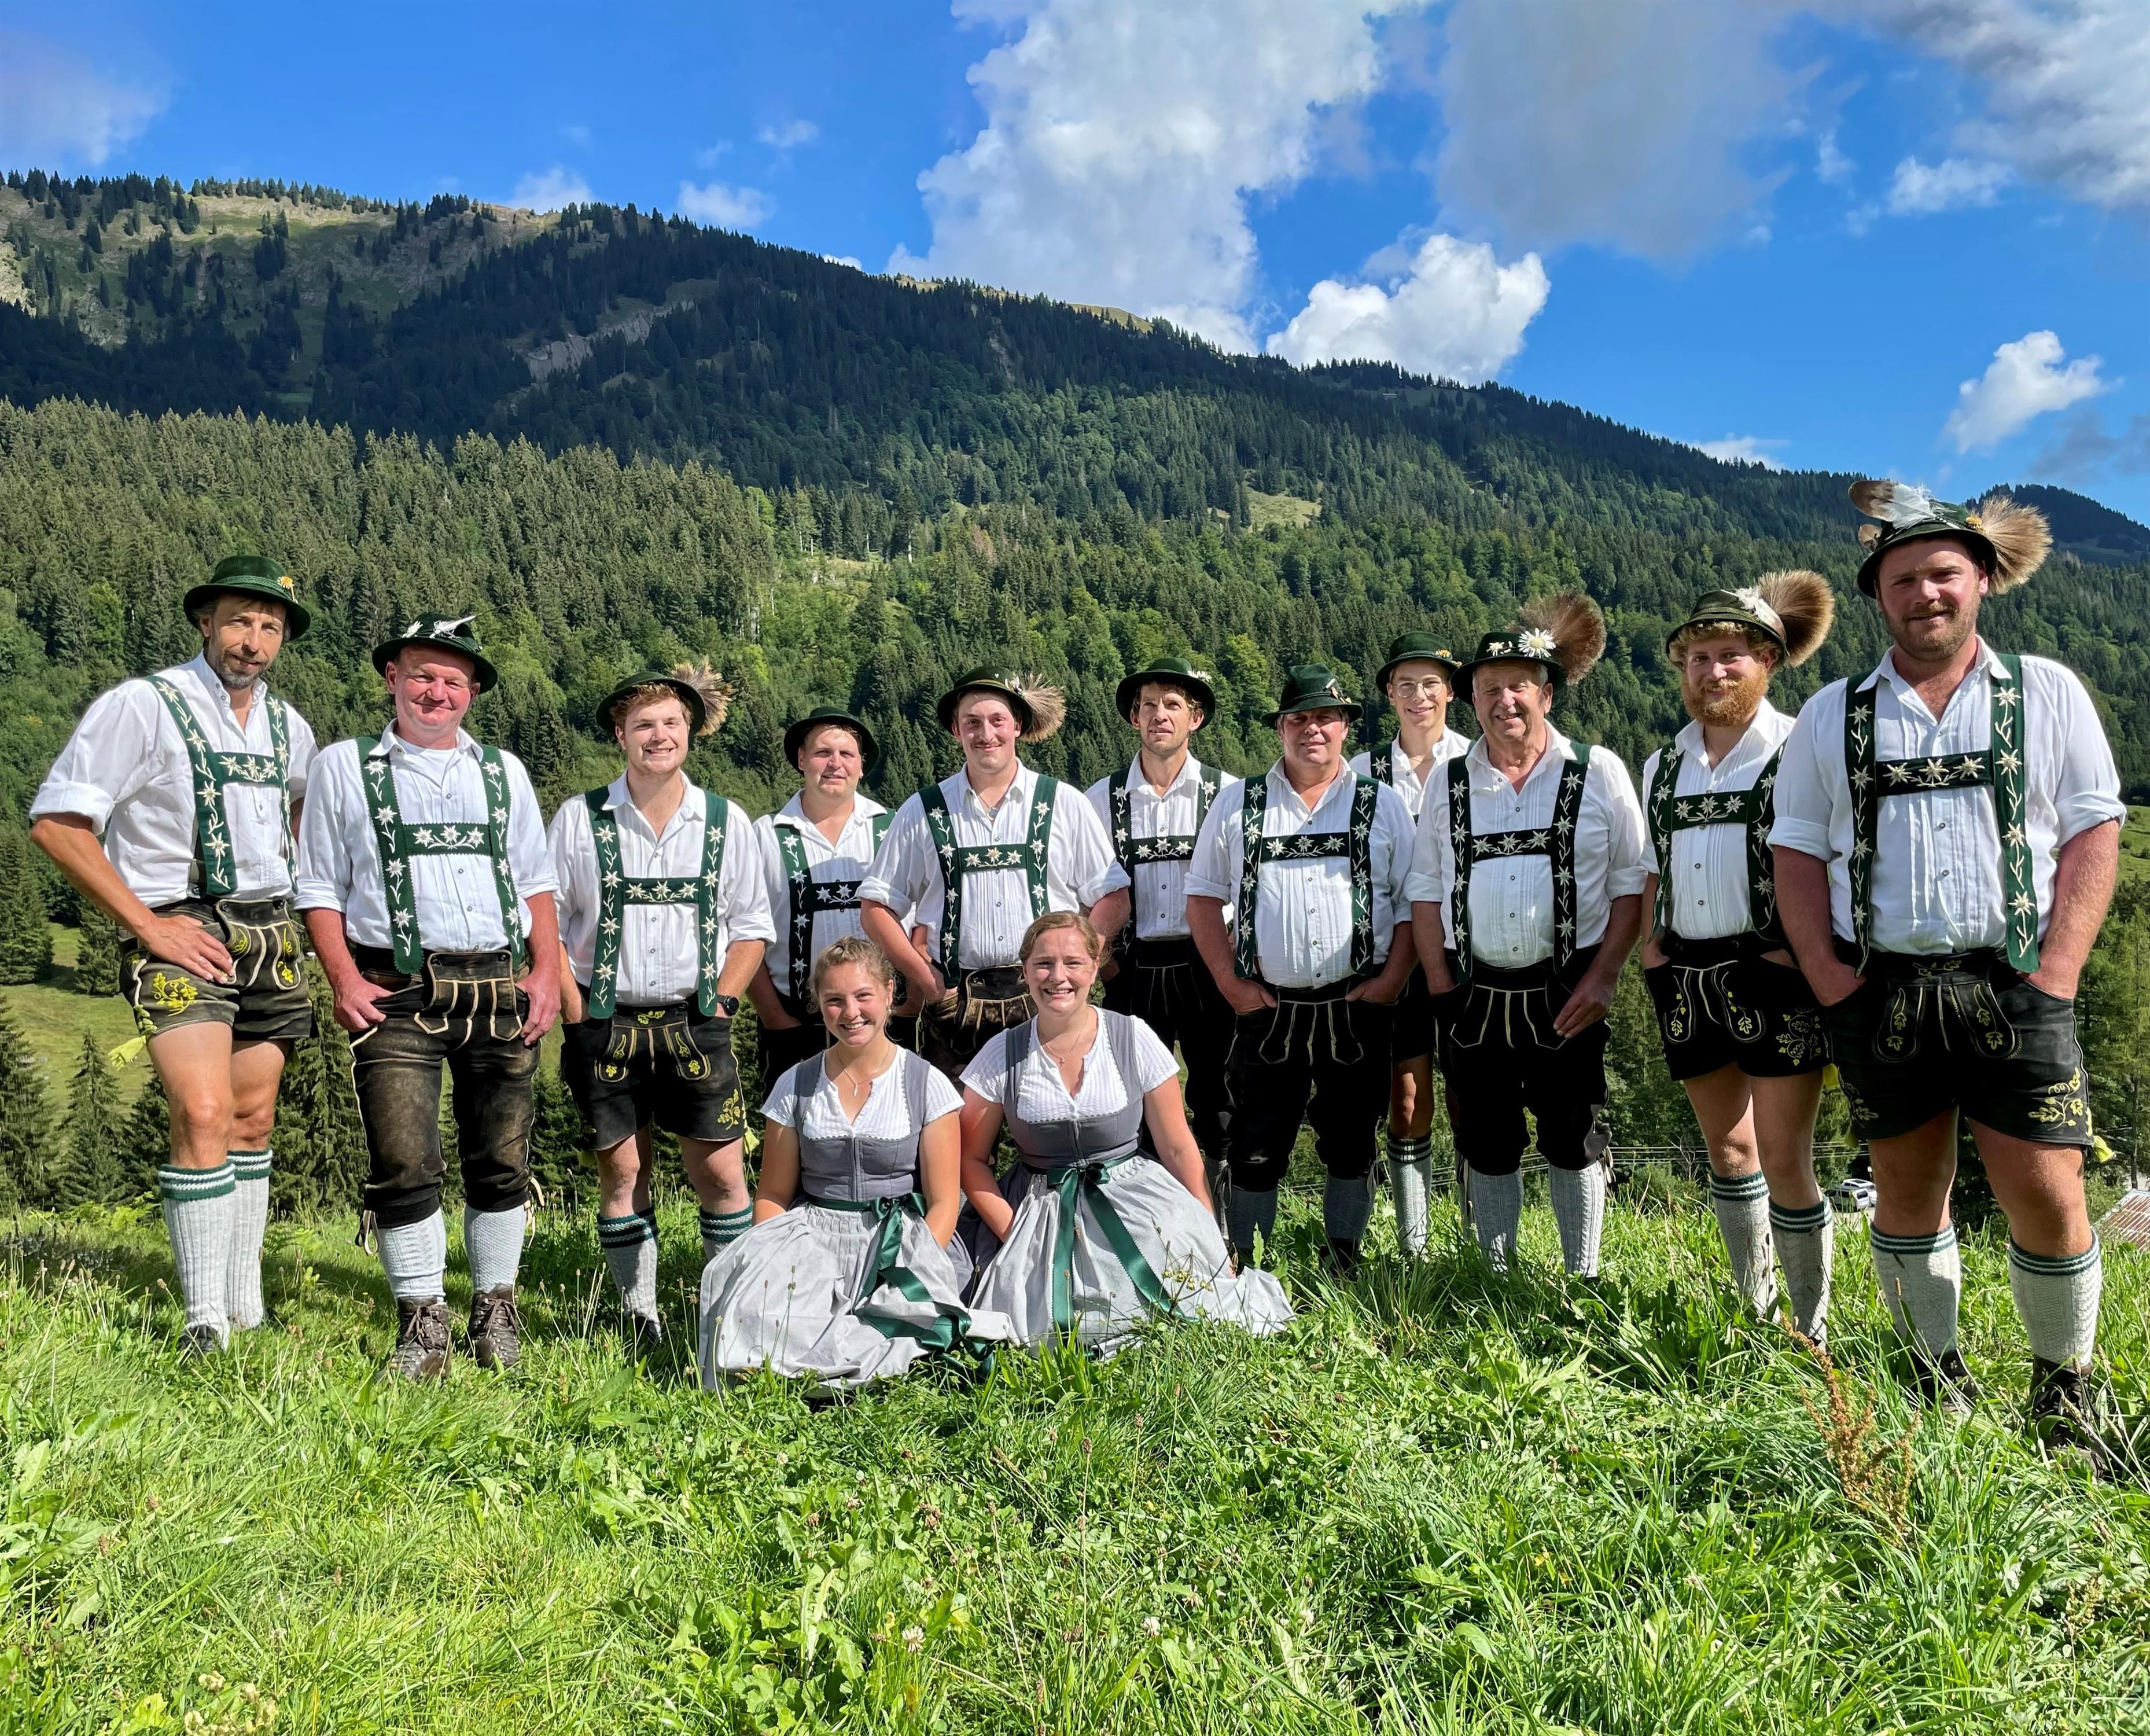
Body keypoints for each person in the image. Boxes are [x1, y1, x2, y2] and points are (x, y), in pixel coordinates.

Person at [1772, 482, 2122, 1454]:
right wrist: (1834, 983)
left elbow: (2095, 832)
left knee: (2047, 1189)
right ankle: (1935, 1373)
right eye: (1902, 581)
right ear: (1877, 597)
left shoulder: (2045, 690)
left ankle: (2064, 1391)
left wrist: (2056, 974)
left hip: (2015, 983)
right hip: (1884, 989)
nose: (1924, 595)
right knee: (1906, 1189)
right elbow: (1795, 855)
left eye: (1942, 575)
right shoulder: (1830, 715)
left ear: (1979, 582)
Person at [30, 555, 318, 1356]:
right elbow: (57, 823)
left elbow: (299, 807)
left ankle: (244, 1302)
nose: (253, 641)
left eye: (269, 627)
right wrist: (149, 928)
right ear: (204, 622)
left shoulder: (291, 727)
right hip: (180, 927)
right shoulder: (142, 706)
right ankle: (202, 1320)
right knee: (202, 1112)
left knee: (255, 1120)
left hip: (271, 934)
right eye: (239, 621)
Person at [297, 614, 562, 1378]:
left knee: (501, 1161)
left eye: (453, 680)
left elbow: (534, 879)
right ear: (391, 679)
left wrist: (545, 973)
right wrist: (343, 977)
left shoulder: (503, 771)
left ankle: (496, 1311)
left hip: (498, 982)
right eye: (421, 674)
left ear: (472, 692)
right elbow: (317, 884)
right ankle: (422, 1326)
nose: (436, 691)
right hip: (393, 986)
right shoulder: (344, 768)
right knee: (403, 1161)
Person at [1407, 594, 1647, 1278]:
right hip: (1472, 991)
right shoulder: (1449, 782)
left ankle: (1583, 1275)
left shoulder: (1596, 771)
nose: (1503, 700)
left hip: (1565, 988)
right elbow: (1425, 892)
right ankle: (1496, 1275)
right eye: (1488, 690)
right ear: (1471, 702)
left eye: (1517, 686)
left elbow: (1631, 885)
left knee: (1573, 1134)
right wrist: (1440, 988)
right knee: (1486, 1139)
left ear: (1546, 694)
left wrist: (1602, 979)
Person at [548, 666, 774, 1352]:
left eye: (671, 723)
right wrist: (574, 1015)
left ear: (690, 734)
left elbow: (751, 924)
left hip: (694, 1021)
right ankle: (637, 1313)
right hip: (606, 1022)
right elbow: (547, 924)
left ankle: (723, 1313)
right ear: (620, 734)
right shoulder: (579, 818)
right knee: (622, 1171)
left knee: (722, 1172)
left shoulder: (724, 819)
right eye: (643, 724)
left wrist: (723, 1006)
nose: (658, 736)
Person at [1640, 573, 1837, 1340]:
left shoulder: (1801, 750)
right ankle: (1755, 1307)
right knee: (1728, 1152)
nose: (1712, 672)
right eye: (1697, 658)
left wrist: (1801, 954)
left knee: (1786, 1158)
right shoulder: (1663, 765)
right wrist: (1653, 951)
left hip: (1774, 974)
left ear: (1767, 662)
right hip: (1686, 973)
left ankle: (1810, 1324)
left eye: (1729, 657)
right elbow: (1654, 862)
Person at [960, 913, 1294, 1349]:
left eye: (1073, 963)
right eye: (1043, 964)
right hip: (1039, 1204)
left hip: (1134, 1197)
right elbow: (969, 1159)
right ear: (1025, 971)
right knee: (1027, 1326)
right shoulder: (1000, 1053)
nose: (1058, 977)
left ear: (1095, 968)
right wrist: (1013, 1230)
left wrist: (1208, 1234)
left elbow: (1177, 1147)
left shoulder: (1132, 1036)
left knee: (1190, 1301)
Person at [1187, 664, 1419, 1272]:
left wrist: (1392, 980)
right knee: (1256, 1143)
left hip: (1354, 1004)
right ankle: (1249, 1266)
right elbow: (1202, 898)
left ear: (1344, 727)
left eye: (1324, 718)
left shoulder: (1381, 804)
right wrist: (1230, 985)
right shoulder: (1238, 802)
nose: (1311, 729)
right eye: (1298, 718)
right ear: (1280, 729)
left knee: (1350, 1140)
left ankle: (1343, 1258)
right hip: (1269, 1007)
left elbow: (1413, 899)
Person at [701, 935, 1007, 1387]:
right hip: (814, 1237)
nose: (851, 1013)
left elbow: (945, 1201)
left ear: (889, 992)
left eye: (863, 996)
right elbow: (773, 1195)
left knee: (905, 1330)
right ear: (820, 1006)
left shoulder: (926, 1085)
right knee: (756, 1320)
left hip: (901, 1237)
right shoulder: (797, 1085)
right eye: (835, 1001)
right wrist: (782, 1260)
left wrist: (915, 1260)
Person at [858, 668, 1114, 1082]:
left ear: (1018, 725)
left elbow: (1113, 896)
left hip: (1049, 998)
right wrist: (926, 980)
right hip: (956, 1008)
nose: (986, 733)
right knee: (959, 1144)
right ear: (956, 731)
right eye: (972, 723)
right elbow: (875, 908)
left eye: (997, 720)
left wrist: (1081, 961)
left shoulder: (1063, 802)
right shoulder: (924, 810)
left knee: (1054, 1136)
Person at [1081, 657, 1239, 1219]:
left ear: (1194, 718)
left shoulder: (1228, 794)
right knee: (1136, 1104)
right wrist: (1103, 970)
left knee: (1218, 1103)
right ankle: (1152, 1226)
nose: (1158, 715)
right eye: (1147, 705)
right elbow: (1081, 891)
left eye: (1172, 705)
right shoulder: (1099, 800)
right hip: (1134, 969)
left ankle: (1219, 1232)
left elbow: (1246, 889)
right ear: (1132, 717)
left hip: (1207, 968)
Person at [1349, 631, 1474, 1257]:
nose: (1418, 696)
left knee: (1473, 1095)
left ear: (1450, 692)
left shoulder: (1476, 762)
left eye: (1430, 684)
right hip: (1393, 954)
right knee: (1405, 1098)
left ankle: (1482, 1235)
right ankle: (1413, 1242)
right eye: (1405, 685)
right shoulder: (1359, 773)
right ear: (1388, 696)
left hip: (1464, 950)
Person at [748, 707, 907, 1086]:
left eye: (847, 754)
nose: (835, 764)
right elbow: (743, 931)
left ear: (861, 766)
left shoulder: (893, 829)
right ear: (801, 759)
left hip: (882, 1024)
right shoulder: (764, 835)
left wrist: (908, 1007)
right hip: (794, 1025)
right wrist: (776, 1018)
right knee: (794, 1140)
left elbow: (919, 926)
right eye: (823, 753)